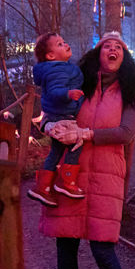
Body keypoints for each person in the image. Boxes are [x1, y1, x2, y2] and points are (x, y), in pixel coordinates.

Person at [38, 32, 135, 269]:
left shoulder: (132, 94)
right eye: (106, 46)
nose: (112, 49)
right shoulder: (76, 81)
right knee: (65, 246)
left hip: (106, 176)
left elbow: (125, 133)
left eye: (119, 48)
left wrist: (88, 133)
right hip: (71, 173)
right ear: (96, 54)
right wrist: (47, 127)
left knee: (103, 249)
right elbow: (51, 111)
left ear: (125, 58)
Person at [29, 32, 85, 206]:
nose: (65, 44)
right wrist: (68, 94)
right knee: (76, 143)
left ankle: (43, 188)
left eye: (64, 41)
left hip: (55, 116)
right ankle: (67, 182)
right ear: (51, 56)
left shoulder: (58, 67)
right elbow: (54, 91)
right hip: (61, 117)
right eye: (60, 44)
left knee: (56, 151)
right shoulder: (57, 68)